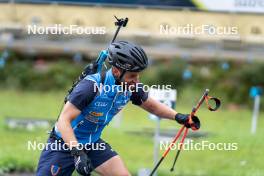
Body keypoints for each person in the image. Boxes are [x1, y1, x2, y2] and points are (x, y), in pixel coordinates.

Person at [36, 41, 200, 176]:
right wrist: (77, 152)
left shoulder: (131, 87)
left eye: (138, 75)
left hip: (93, 145)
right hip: (63, 145)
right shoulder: (91, 86)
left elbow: (151, 105)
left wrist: (179, 117)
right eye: (132, 76)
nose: (136, 81)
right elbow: (63, 121)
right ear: (116, 71)